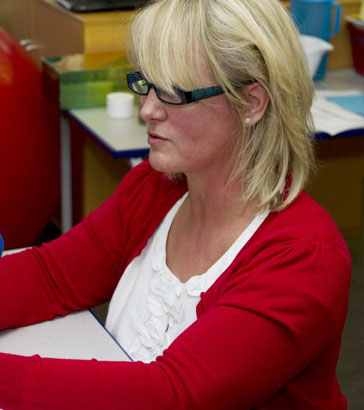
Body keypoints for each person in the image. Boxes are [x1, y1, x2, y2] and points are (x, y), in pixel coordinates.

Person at [0, 0, 351, 409]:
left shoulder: (305, 260)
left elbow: (173, 394)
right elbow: (53, 277)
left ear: (252, 103)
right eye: (146, 84)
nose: (147, 109)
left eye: (172, 92)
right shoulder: (156, 188)